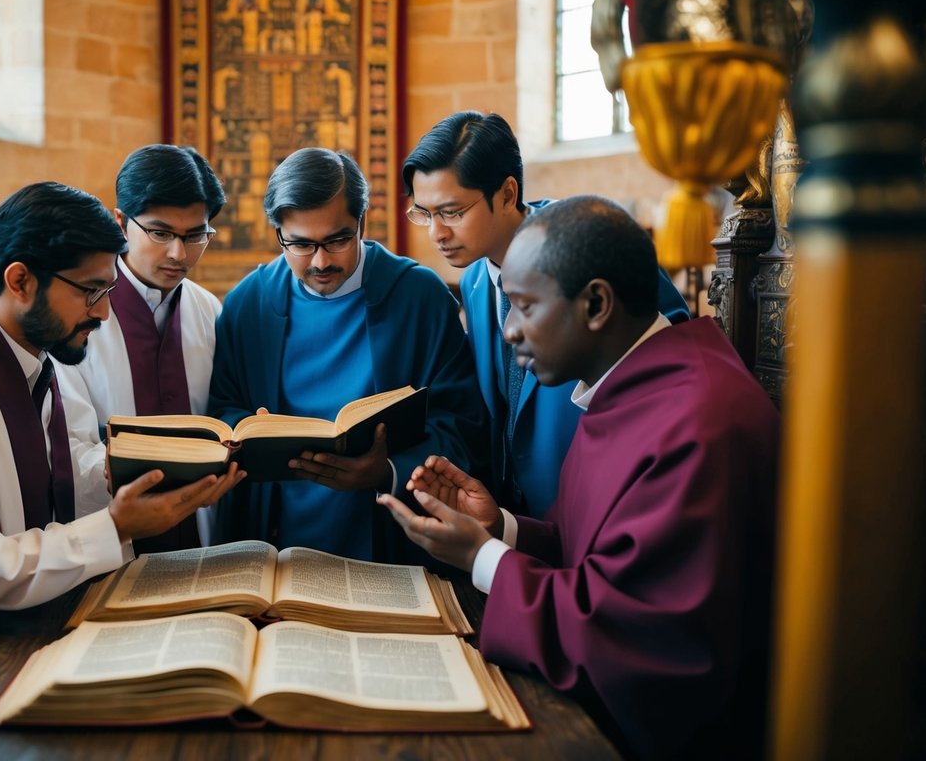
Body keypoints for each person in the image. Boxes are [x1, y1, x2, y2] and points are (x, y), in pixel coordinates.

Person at [378, 196, 780, 760]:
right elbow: (600, 552)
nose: (510, 331)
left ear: (596, 303)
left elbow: (641, 635)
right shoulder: (636, 388)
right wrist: (501, 528)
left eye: (523, 307)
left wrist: (482, 559)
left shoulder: (698, 422)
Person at [0, 181, 243, 665]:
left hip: (30, 640)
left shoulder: (36, 358)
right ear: (20, 281)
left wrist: (134, 473)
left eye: (109, 290)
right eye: (91, 291)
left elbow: (56, 479)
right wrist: (115, 526)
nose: (102, 312)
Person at [402, 111, 690, 517]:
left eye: (452, 212)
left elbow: (668, 351)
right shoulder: (474, 282)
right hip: (519, 523)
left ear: (506, 193)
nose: (437, 233)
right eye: (424, 214)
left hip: (603, 506)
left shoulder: (584, 244)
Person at [208, 147, 485, 564]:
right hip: (275, 540)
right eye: (299, 243)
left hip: (389, 541)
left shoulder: (419, 297)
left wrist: (387, 470)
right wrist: (249, 433)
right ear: (277, 232)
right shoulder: (248, 303)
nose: (320, 261)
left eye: (337, 240)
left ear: (362, 222)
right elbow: (223, 408)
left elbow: (463, 426)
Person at [56, 144, 226, 552]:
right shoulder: (77, 311)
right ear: (120, 223)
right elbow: (66, 446)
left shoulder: (209, 310)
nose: (178, 253)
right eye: (161, 233)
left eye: (196, 235)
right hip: (110, 540)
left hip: (203, 539)